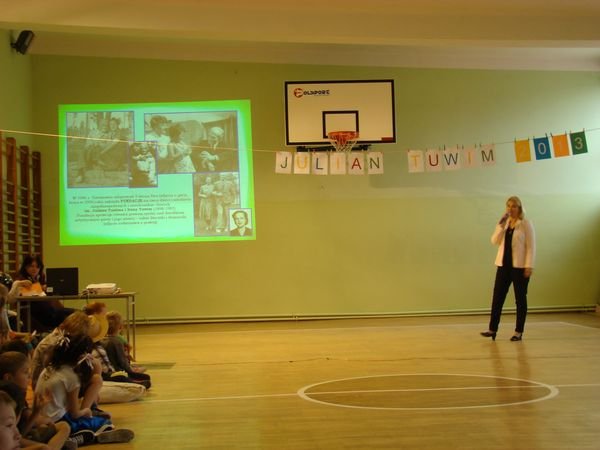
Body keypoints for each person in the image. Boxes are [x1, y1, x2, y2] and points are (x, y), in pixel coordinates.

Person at [34, 333, 134, 445]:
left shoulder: (49, 368)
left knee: (93, 420)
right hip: (58, 419)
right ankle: (81, 438)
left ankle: (86, 435)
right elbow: (74, 414)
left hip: (41, 418)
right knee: (105, 422)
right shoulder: (71, 377)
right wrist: (86, 411)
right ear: (82, 356)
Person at [481, 196, 536, 341]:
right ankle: (492, 329)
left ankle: (518, 332)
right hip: (503, 266)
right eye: (508, 206)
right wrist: (500, 225)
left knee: (520, 300)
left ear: (519, 208)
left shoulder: (525, 224)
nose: (510, 209)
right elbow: (494, 241)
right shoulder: (504, 224)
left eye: (514, 206)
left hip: (519, 267)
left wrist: (529, 265)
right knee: (497, 298)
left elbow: (531, 247)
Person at [0, 354, 73, 450]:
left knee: (63, 426)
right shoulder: (7, 398)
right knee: (44, 447)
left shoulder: (18, 393)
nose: (29, 376)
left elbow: (20, 431)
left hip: (20, 436)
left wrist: (37, 411)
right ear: (8, 377)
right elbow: (21, 434)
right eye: (25, 372)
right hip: (16, 440)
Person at [15, 255, 75, 333]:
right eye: (32, 266)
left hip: (51, 311)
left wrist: (49, 289)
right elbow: (24, 295)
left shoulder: (40, 278)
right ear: (26, 267)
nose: (35, 269)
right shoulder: (21, 280)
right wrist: (39, 288)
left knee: (76, 313)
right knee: (72, 316)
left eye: (37, 267)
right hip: (40, 314)